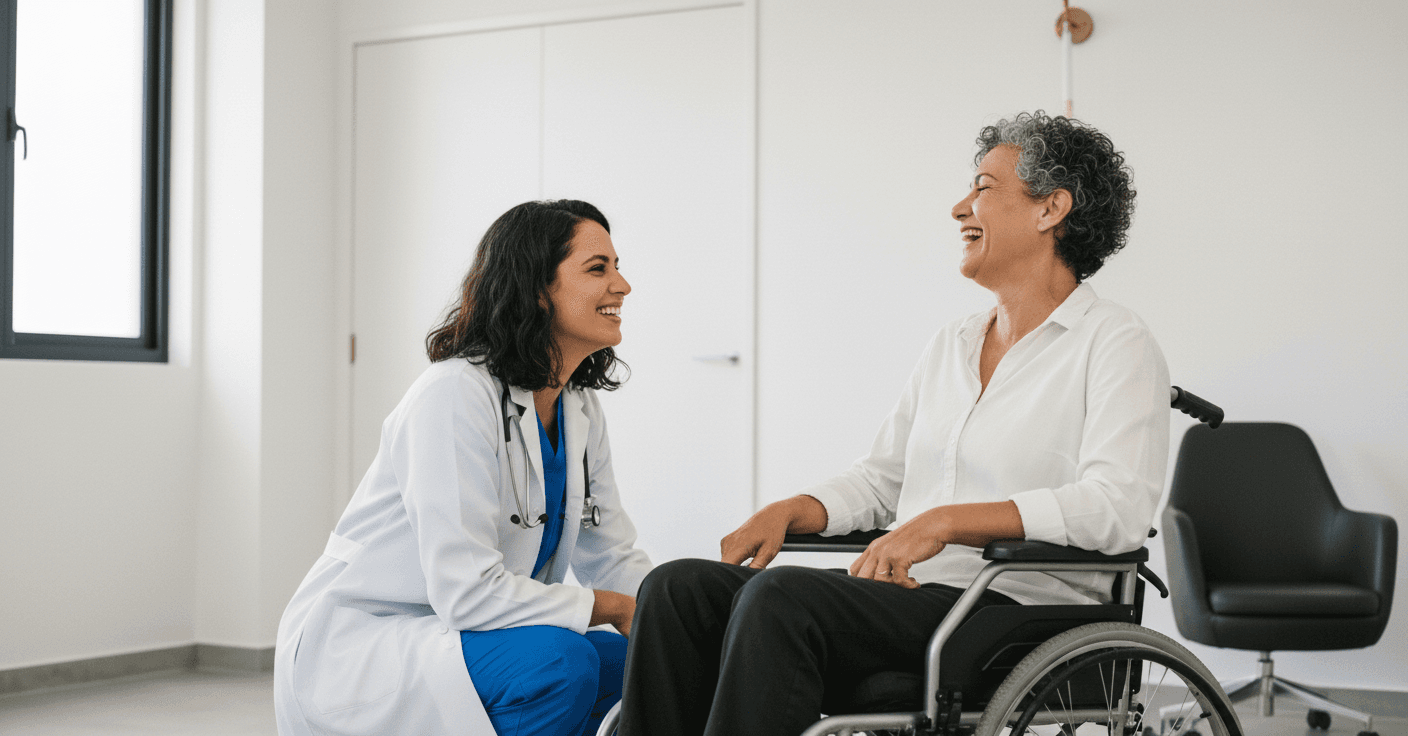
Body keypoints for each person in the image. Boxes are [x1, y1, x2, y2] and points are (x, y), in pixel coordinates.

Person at [618, 112, 1169, 736]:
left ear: (1051, 209)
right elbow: (885, 482)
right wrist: (793, 509)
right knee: (678, 589)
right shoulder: (953, 344)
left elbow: (1117, 506)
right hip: (919, 599)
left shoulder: (1115, 342)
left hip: (1020, 609)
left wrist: (947, 522)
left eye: (984, 188)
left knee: (782, 598)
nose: (960, 206)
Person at [274, 200, 653, 736]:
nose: (623, 286)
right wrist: (610, 608)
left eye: (617, 266)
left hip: (478, 634)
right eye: (599, 269)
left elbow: (612, 556)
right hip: (367, 643)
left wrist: (679, 615)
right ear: (536, 289)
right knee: (560, 663)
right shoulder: (453, 394)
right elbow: (467, 591)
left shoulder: (579, 408)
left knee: (640, 666)